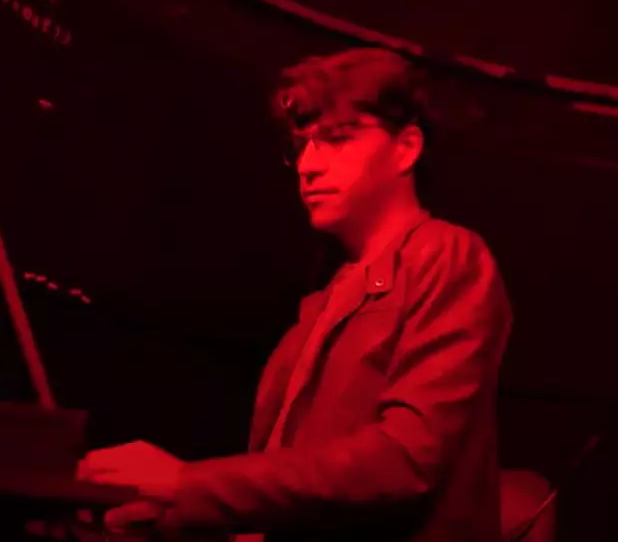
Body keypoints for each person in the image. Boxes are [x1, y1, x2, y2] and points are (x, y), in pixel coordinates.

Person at [78, 47, 513, 541]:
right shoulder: (325, 301)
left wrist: (184, 486)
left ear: (406, 147)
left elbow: (407, 459)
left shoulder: (448, 256)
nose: (308, 165)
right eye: (301, 145)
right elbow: (289, 488)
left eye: (336, 139)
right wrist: (157, 509)